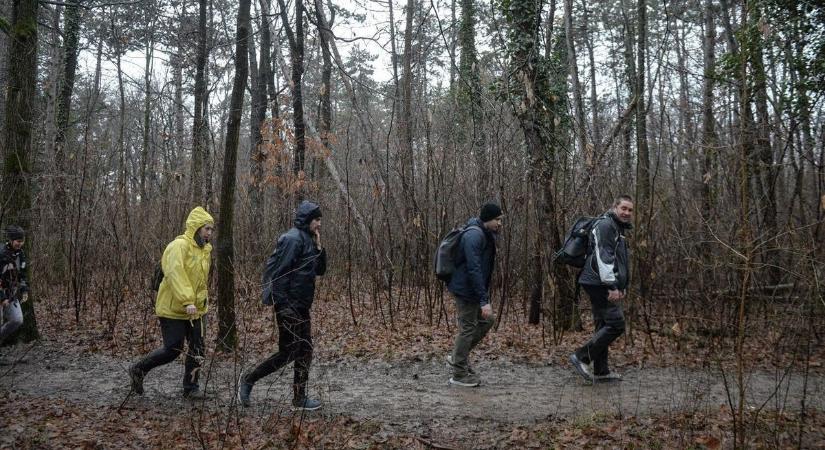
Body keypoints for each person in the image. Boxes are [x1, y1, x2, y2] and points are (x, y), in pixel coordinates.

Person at [238, 200, 327, 410]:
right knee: (289, 352)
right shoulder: (292, 239)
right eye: (316, 219)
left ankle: (299, 398)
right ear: (307, 219)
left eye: (320, 220)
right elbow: (279, 275)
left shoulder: (309, 240)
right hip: (288, 306)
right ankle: (248, 379)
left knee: (304, 349)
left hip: (302, 306)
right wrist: (283, 306)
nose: (319, 224)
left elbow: (320, 270)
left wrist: (319, 248)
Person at [129, 207, 215, 398]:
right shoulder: (178, 246)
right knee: (173, 349)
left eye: (211, 229)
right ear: (196, 227)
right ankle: (138, 369)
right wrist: (187, 300)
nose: (209, 233)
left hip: (196, 310)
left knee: (198, 348)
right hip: (173, 308)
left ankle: (191, 388)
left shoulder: (205, 250)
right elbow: (176, 274)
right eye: (206, 228)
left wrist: (201, 303)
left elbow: (201, 282)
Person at [569, 195, 633, 383]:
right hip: (598, 282)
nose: (626, 213)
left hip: (597, 281)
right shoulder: (606, 225)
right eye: (623, 208)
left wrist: (621, 285)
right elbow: (604, 258)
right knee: (616, 324)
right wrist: (612, 286)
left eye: (630, 210)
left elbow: (618, 260)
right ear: (614, 207)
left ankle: (601, 371)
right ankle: (582, 357)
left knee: (603, 324)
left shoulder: (617, 227)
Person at [445, 202, 503, 387]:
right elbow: (474, 269)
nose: (500, 223)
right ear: (488, 219)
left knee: (487, 321)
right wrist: (484, 300)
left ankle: (457, 357)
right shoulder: (474, 235)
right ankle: (459, 374)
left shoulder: (484, 233)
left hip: (472, 289)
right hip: (466, 290)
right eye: (497, 219)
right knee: (468, 329)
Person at [0, 225, 29, 345]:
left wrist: (24, 290)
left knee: (17, 320)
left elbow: (22, 274)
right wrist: (2, 298)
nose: (20, 244)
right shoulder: (2, 254)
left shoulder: (20, 254)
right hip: (1, 292)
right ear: (11, 240)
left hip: (11, 293)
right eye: (18, 241)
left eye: (22, 241)